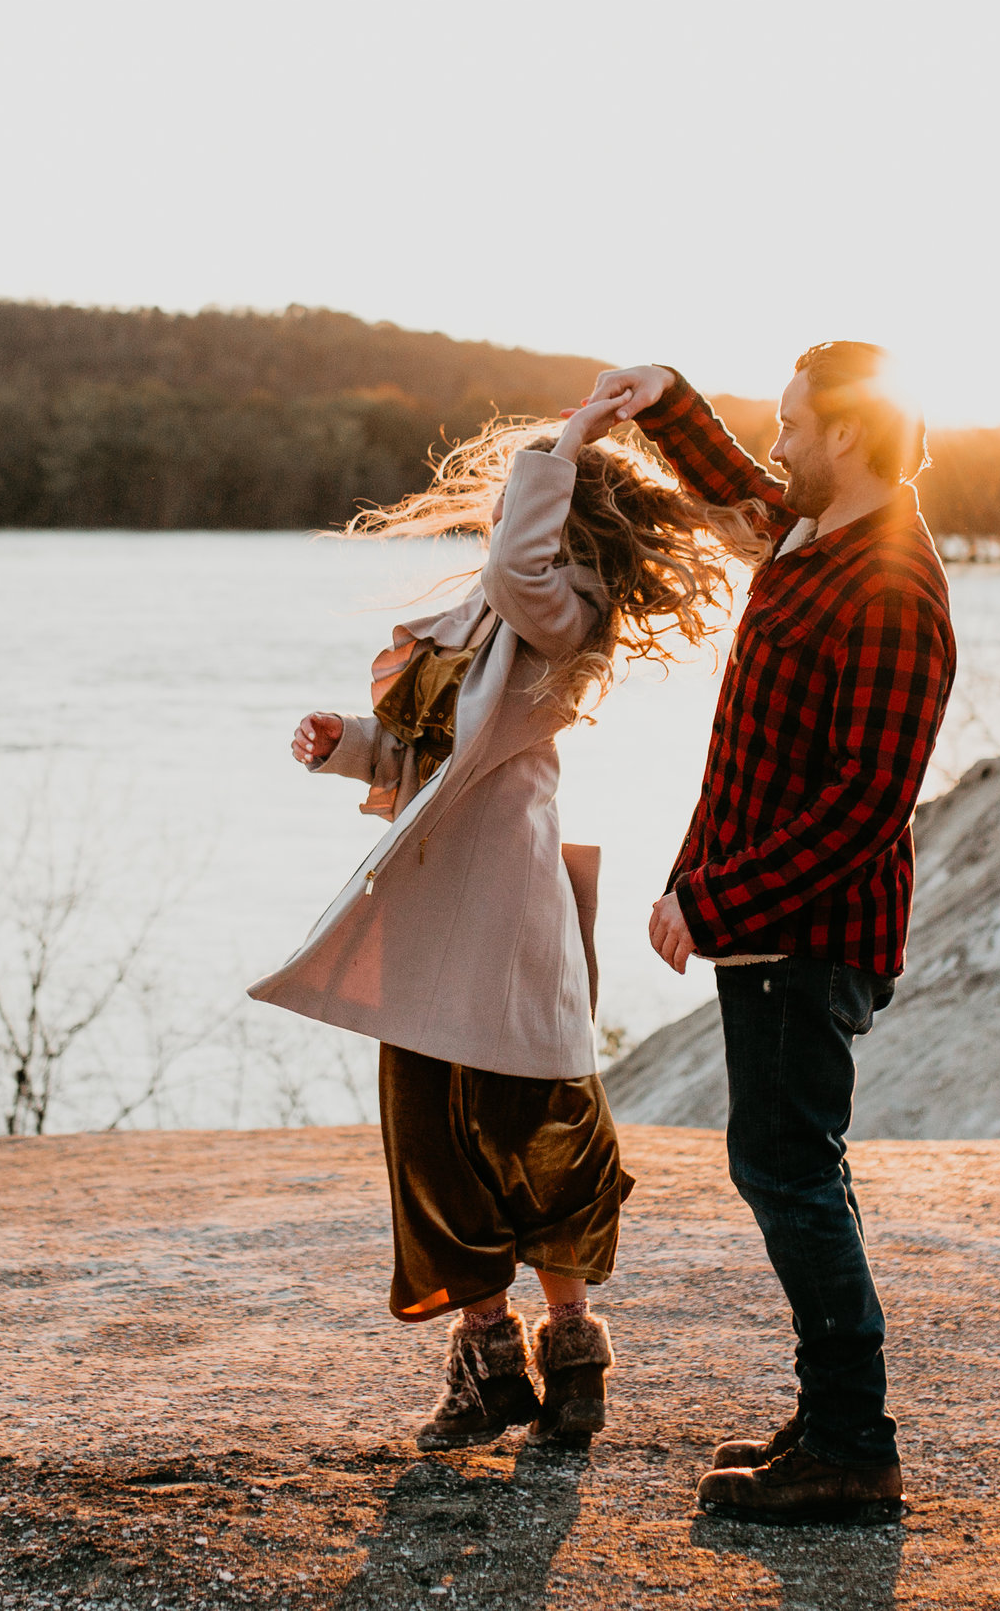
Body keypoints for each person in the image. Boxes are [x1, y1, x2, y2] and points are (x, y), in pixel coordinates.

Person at [250, 387, 767, 1449]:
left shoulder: (562, 605)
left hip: (506, 909)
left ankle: (570, 1359)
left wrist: (570, 441)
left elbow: (518, 569)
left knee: (543, 1133)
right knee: (436, 1139)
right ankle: (495, 1365)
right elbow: (426, 759)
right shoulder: (485, 615)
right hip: (435, 911)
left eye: (533, 494)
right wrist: (343, 743)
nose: (504, 514)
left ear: (563, 512)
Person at [603, 345, 956, 1524]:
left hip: (807, 938)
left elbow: (864, 806)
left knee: (787, 1171)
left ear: (850, 436)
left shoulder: (891, 585)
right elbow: (735, 486)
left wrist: (710, 902)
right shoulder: (812, 536)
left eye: (796, 423)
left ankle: (854, 1446)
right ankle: (832, 1418)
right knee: (798, 1168)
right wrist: (663, 399)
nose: (781, 441)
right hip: (772, 936)